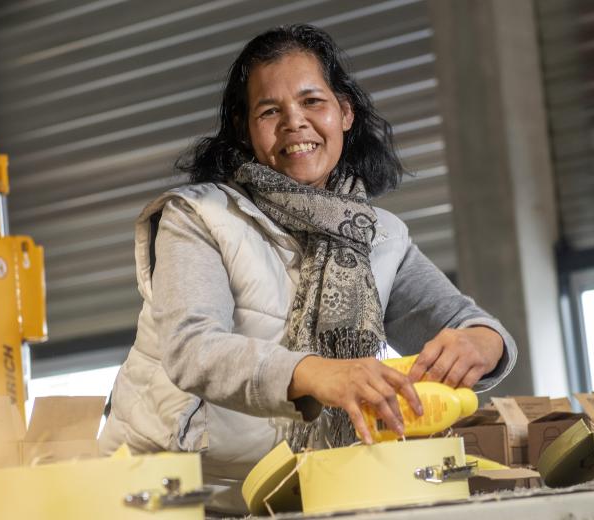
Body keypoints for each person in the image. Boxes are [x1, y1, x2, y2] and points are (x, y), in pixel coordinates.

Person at [99, 24, 517, 512]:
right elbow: (194, 349)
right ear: (244, 128)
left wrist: (484, 342)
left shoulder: (378, 237)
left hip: (302, 492)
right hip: (174, 495)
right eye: (270, 110)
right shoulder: (197, 216)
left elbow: (463, 321)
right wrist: (318, 373)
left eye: (312, 102)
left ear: (344, 113)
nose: (294, 122)